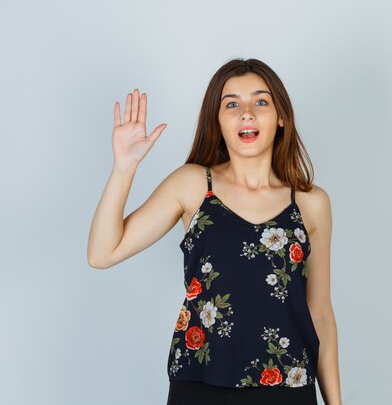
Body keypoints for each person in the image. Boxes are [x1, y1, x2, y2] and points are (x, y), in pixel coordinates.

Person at [87, 58, 342, 405]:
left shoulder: (311, 204)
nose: (246, 113)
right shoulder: (192, 185)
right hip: (200, 386)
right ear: (218, 119)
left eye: (261, 101)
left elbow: (321, 315)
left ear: (281, 117)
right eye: (232, 104)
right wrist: (124, 168)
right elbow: (102, 253)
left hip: (288, 389)